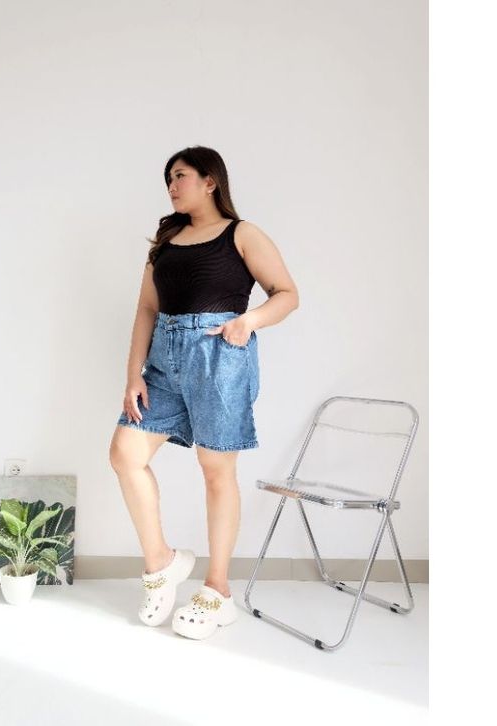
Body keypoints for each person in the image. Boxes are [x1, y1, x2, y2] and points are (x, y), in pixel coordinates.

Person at [109, 145, 299, 640]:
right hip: (163, 362)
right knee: (125, 454)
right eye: (168, 180)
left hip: (218, 358)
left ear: (210, 181)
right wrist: (133, 374)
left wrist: (248, 321)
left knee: (216, 472)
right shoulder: (165, 243)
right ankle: (162, 563)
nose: (172, 187)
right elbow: (146, 309)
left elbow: (287, 294)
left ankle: (217, 590)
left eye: (180, 176)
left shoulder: (242, 234)